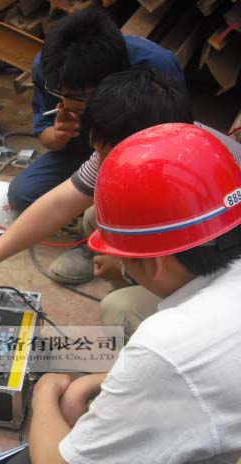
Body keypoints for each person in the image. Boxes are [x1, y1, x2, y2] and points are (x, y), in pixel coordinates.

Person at [28, 123, 241, 463]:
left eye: (125, 257)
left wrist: (43, 394)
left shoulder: (167, 345)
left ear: (155, 263)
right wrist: (97, 381)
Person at [8, 6, 184, 283]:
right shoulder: (53, 68)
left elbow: (174, 144)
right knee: (23, 194)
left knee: (116, 206)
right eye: (62, 93)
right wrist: (58, 135)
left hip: (142, 156)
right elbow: (45, 134)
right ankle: (98, 225)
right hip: (84, 149)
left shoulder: (154, 66)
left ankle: (103, 245)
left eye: (79, 95)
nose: (66, 101)